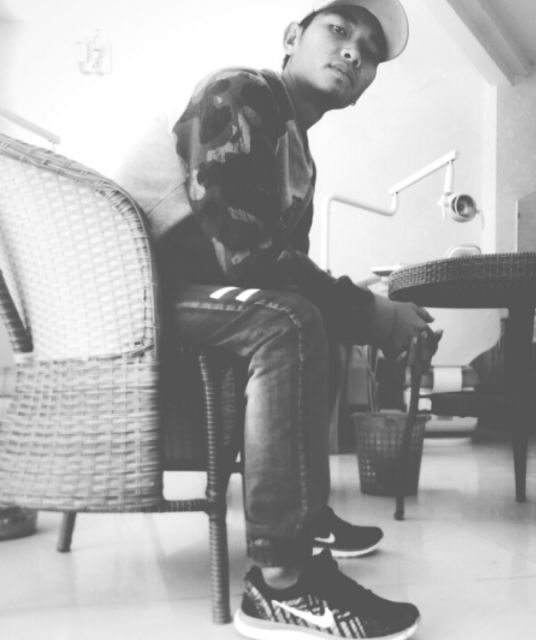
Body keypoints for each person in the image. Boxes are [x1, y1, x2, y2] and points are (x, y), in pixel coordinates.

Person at [118, 1, 433, 638]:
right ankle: (282, 583)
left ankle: (306, 515)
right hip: (138, 301)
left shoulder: (298, 156)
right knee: (289, 321)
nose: (354, 52)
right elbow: (247, 258)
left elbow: (280, 268)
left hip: (191, 296)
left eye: (370, 52)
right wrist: (374, 314)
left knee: (310, 318)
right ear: (292, 37)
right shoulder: (242, 91)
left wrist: (353, 309)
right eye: (338, 30)